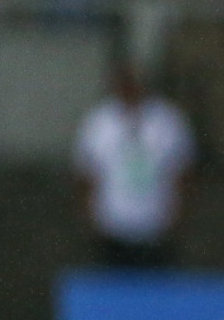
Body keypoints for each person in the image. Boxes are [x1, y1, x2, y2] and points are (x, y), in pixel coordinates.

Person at [73, 65, 194, 268]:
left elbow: (183, 171)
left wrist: (177, 217)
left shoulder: (167, 120)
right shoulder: (99, 122)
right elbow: (86, 173)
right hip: (112, 225)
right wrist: (90, 217)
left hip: (155, 225)